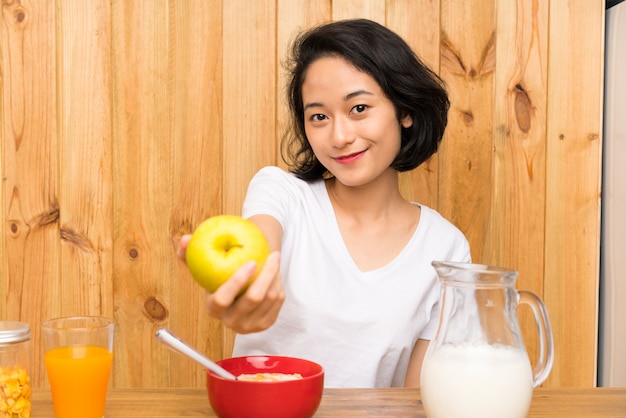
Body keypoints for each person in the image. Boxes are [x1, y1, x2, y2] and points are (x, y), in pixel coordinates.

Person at [178, 18, 470, 388]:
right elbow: (260, 250)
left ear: (405, 111)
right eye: (319, 116)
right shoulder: (282, 193)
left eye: (359, 109)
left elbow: (415, 400)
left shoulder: (447, 248)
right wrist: (248, 290)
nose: (340, 136)